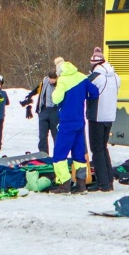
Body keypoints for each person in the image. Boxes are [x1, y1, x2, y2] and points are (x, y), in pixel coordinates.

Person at [52, 60, 99, 193]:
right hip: (80, 122)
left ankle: (64, 184)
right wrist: (82, 97)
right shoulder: (82, 77)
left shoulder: (63, 80)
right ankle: (81, 185)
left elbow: (56, 99)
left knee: (59, 155)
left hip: (67, 123)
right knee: (79, 155)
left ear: (60, 71)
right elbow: (94, 92)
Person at [87, 47, 120, 192]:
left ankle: (103, 183)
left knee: (96, 149)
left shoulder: (95, 76)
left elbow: (86, 91)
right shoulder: (115, 76)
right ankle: (109, 180)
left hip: (97, 116)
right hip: (110, 115)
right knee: (103, 147)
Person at [21, 71, 59, 154]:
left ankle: (58, 156)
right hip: (43, 111)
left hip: (54, 111)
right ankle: (43, 154)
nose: (52, 81)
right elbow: (38, 89)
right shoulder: (45, 81)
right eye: (50, 79)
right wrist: (30, 95)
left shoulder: (60, 84)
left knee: (56, 135)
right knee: (42, 136)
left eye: (54, 79)